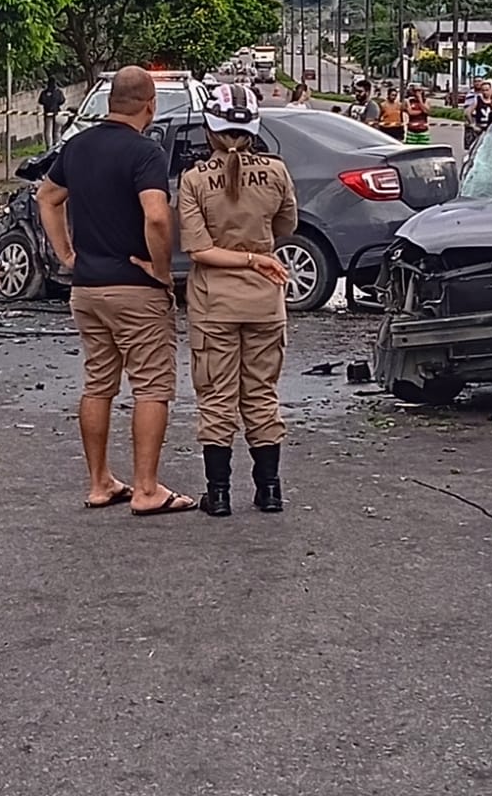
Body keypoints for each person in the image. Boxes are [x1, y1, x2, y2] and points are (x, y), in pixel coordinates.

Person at [36, 66, 196, 517]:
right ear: (151, 104)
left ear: (109, 102)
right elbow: (158, 215)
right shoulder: (145, 153)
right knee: (151, 386)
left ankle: (100, 481)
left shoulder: (77, 146)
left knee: (98, 383)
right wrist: (161, 269)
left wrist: (66, 254)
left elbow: (46, 198)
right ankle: (146, 488)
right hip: (135, 288)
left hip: (87, 288)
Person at [178, 84, 297, 517]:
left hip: (215, 304)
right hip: (266, 300)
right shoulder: (277, 173)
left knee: (216, 397)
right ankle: (269, 491)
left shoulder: (194, 180)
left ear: (210, 128)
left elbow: (198, 251)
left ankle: (220, 494)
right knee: (262, 394)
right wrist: (256, 255)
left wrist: (241, 258)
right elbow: (286, 225)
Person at [38, 77, 65, 147]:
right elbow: (62, 101)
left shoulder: (44, 92)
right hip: (57, 113)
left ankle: (49, 147)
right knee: (57, 131)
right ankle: (57, 146)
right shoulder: (58, 92)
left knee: (48, 131)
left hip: (48, 113)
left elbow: (41, 101)